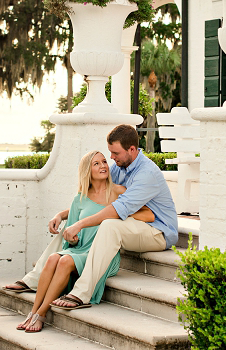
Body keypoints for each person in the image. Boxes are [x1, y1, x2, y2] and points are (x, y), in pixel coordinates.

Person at [16, 150, 154, 332]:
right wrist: (72, 240)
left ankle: (41, 313)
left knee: (65, 260)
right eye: (96, 164)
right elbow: (70, 238)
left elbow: (148, 214)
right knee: (53, 259)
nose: (103, 166)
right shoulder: (79, 199)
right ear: (87, 170)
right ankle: (32, 312)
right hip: (79, 250)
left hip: (102, 254)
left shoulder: (118, 192)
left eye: (104, 161)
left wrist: (119, 212)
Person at [48, 124, 178, 310]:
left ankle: (82, 293)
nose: (111, 158)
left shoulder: (147, 173)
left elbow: (117, 209)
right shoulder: (120, 167)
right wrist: (62, 215)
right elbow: (97, 200)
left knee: (109, 225)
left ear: (132, 150)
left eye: (115, 153)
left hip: (158, 231)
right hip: (135, 224)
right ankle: (41, 274)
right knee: (96, 221)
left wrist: (79, 225)